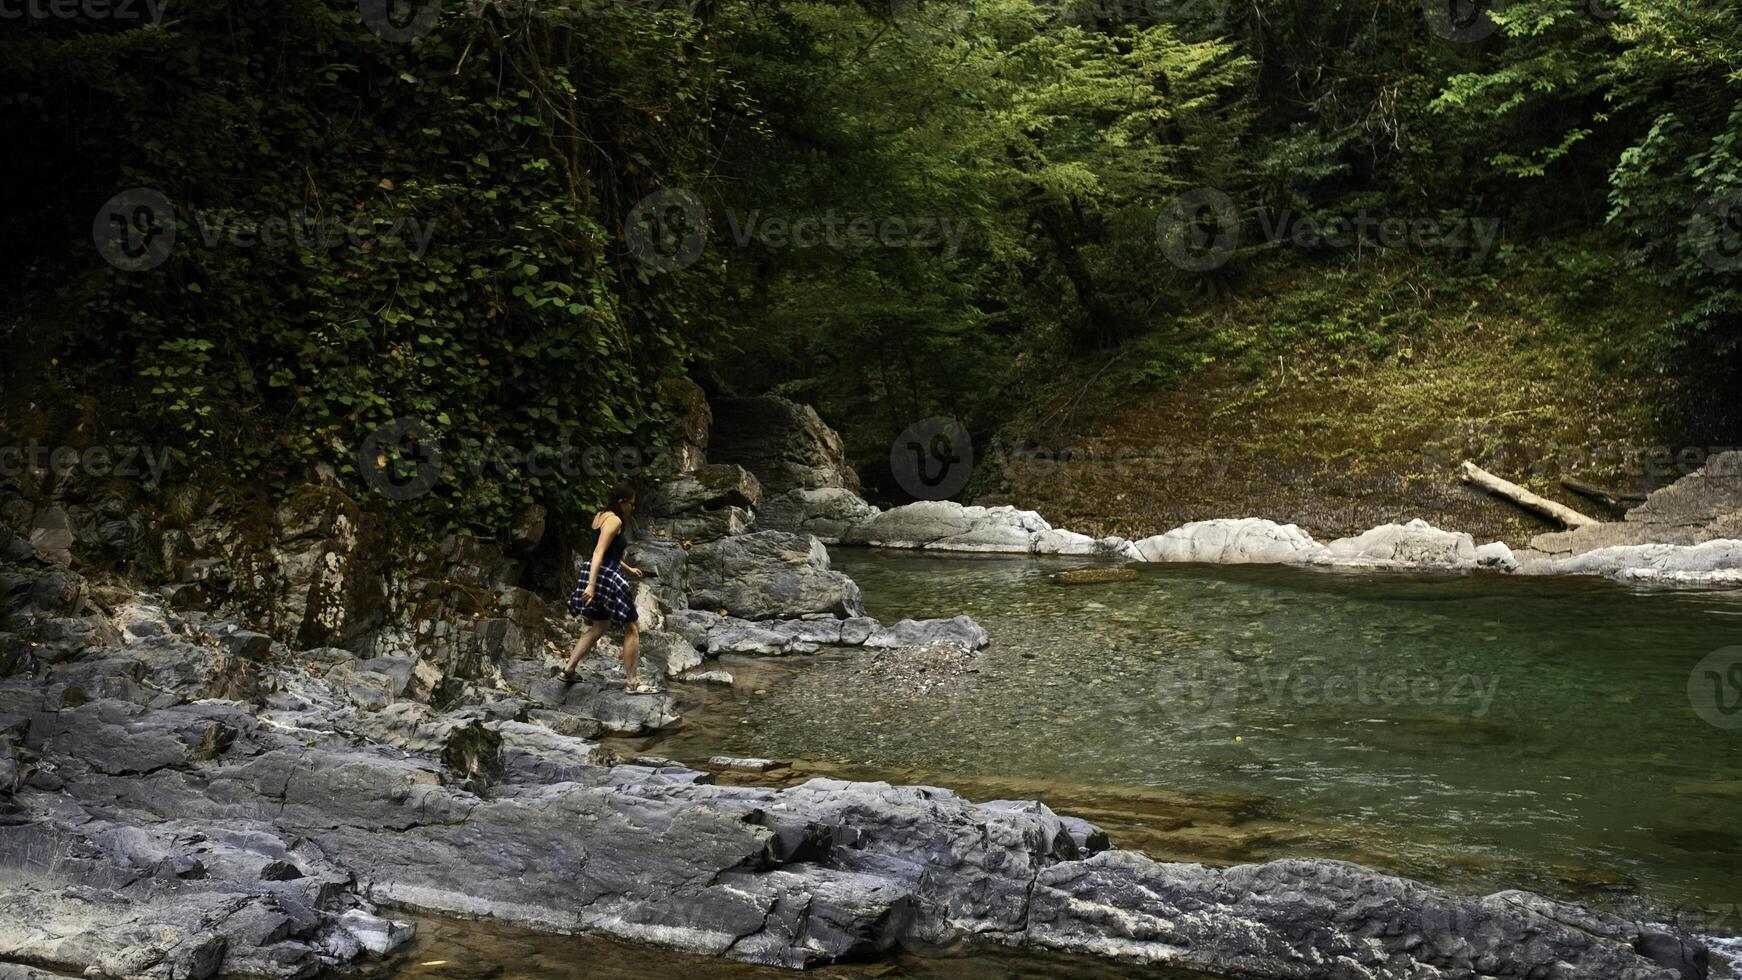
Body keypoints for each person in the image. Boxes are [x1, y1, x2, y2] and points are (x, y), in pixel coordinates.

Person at [559, 485, 657, 693]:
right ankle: (633, 682)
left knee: (599, 626)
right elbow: (598, 552)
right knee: (632, 627)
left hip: (596, 571)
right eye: (631, 503)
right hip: (606, 576)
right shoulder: (615, 520)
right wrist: (591, 585)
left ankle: (568, 669)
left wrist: (628, 568)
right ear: (622, 502)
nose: (633, 506)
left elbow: (609, 552)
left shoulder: (600, 516)